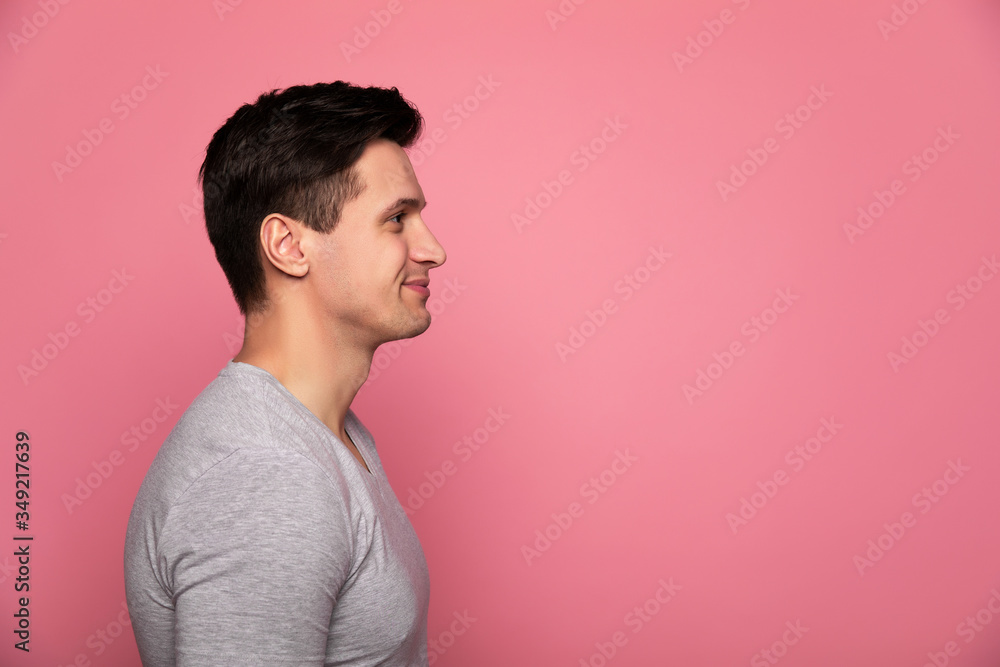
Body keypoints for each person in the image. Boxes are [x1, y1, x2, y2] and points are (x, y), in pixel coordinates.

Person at [123, 81, 447, 666]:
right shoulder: (265, 472)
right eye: (396, 219)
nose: (432, 249)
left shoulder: (331, 434)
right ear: (288, 245)